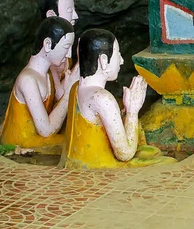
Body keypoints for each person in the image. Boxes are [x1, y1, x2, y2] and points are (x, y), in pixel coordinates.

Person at [61, 29, 176, 168]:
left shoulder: (75, 88)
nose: (121, 61)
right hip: (100, 167)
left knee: (149, 152)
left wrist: (124, 113)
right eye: (118, 55)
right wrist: (133, 111)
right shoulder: (103, 98)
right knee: (169, 164)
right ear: (103, 60)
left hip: (78, 162)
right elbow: (124, 153)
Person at [0, 17, 78, 152]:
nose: (68, 53)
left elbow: (58, 101)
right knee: (74, 144)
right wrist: (68, 94)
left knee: (74, 137)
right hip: (22, 141)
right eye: (66, 47)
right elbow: (46, 130)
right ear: (47, 44)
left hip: (37, 138)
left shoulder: (47, 75)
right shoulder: (28, 80)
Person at [39, 0, 80, 101]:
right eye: (69, 11)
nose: (76, 16)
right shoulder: (48, 53)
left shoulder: (66, 51)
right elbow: (59, 96)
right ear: (52, 15)